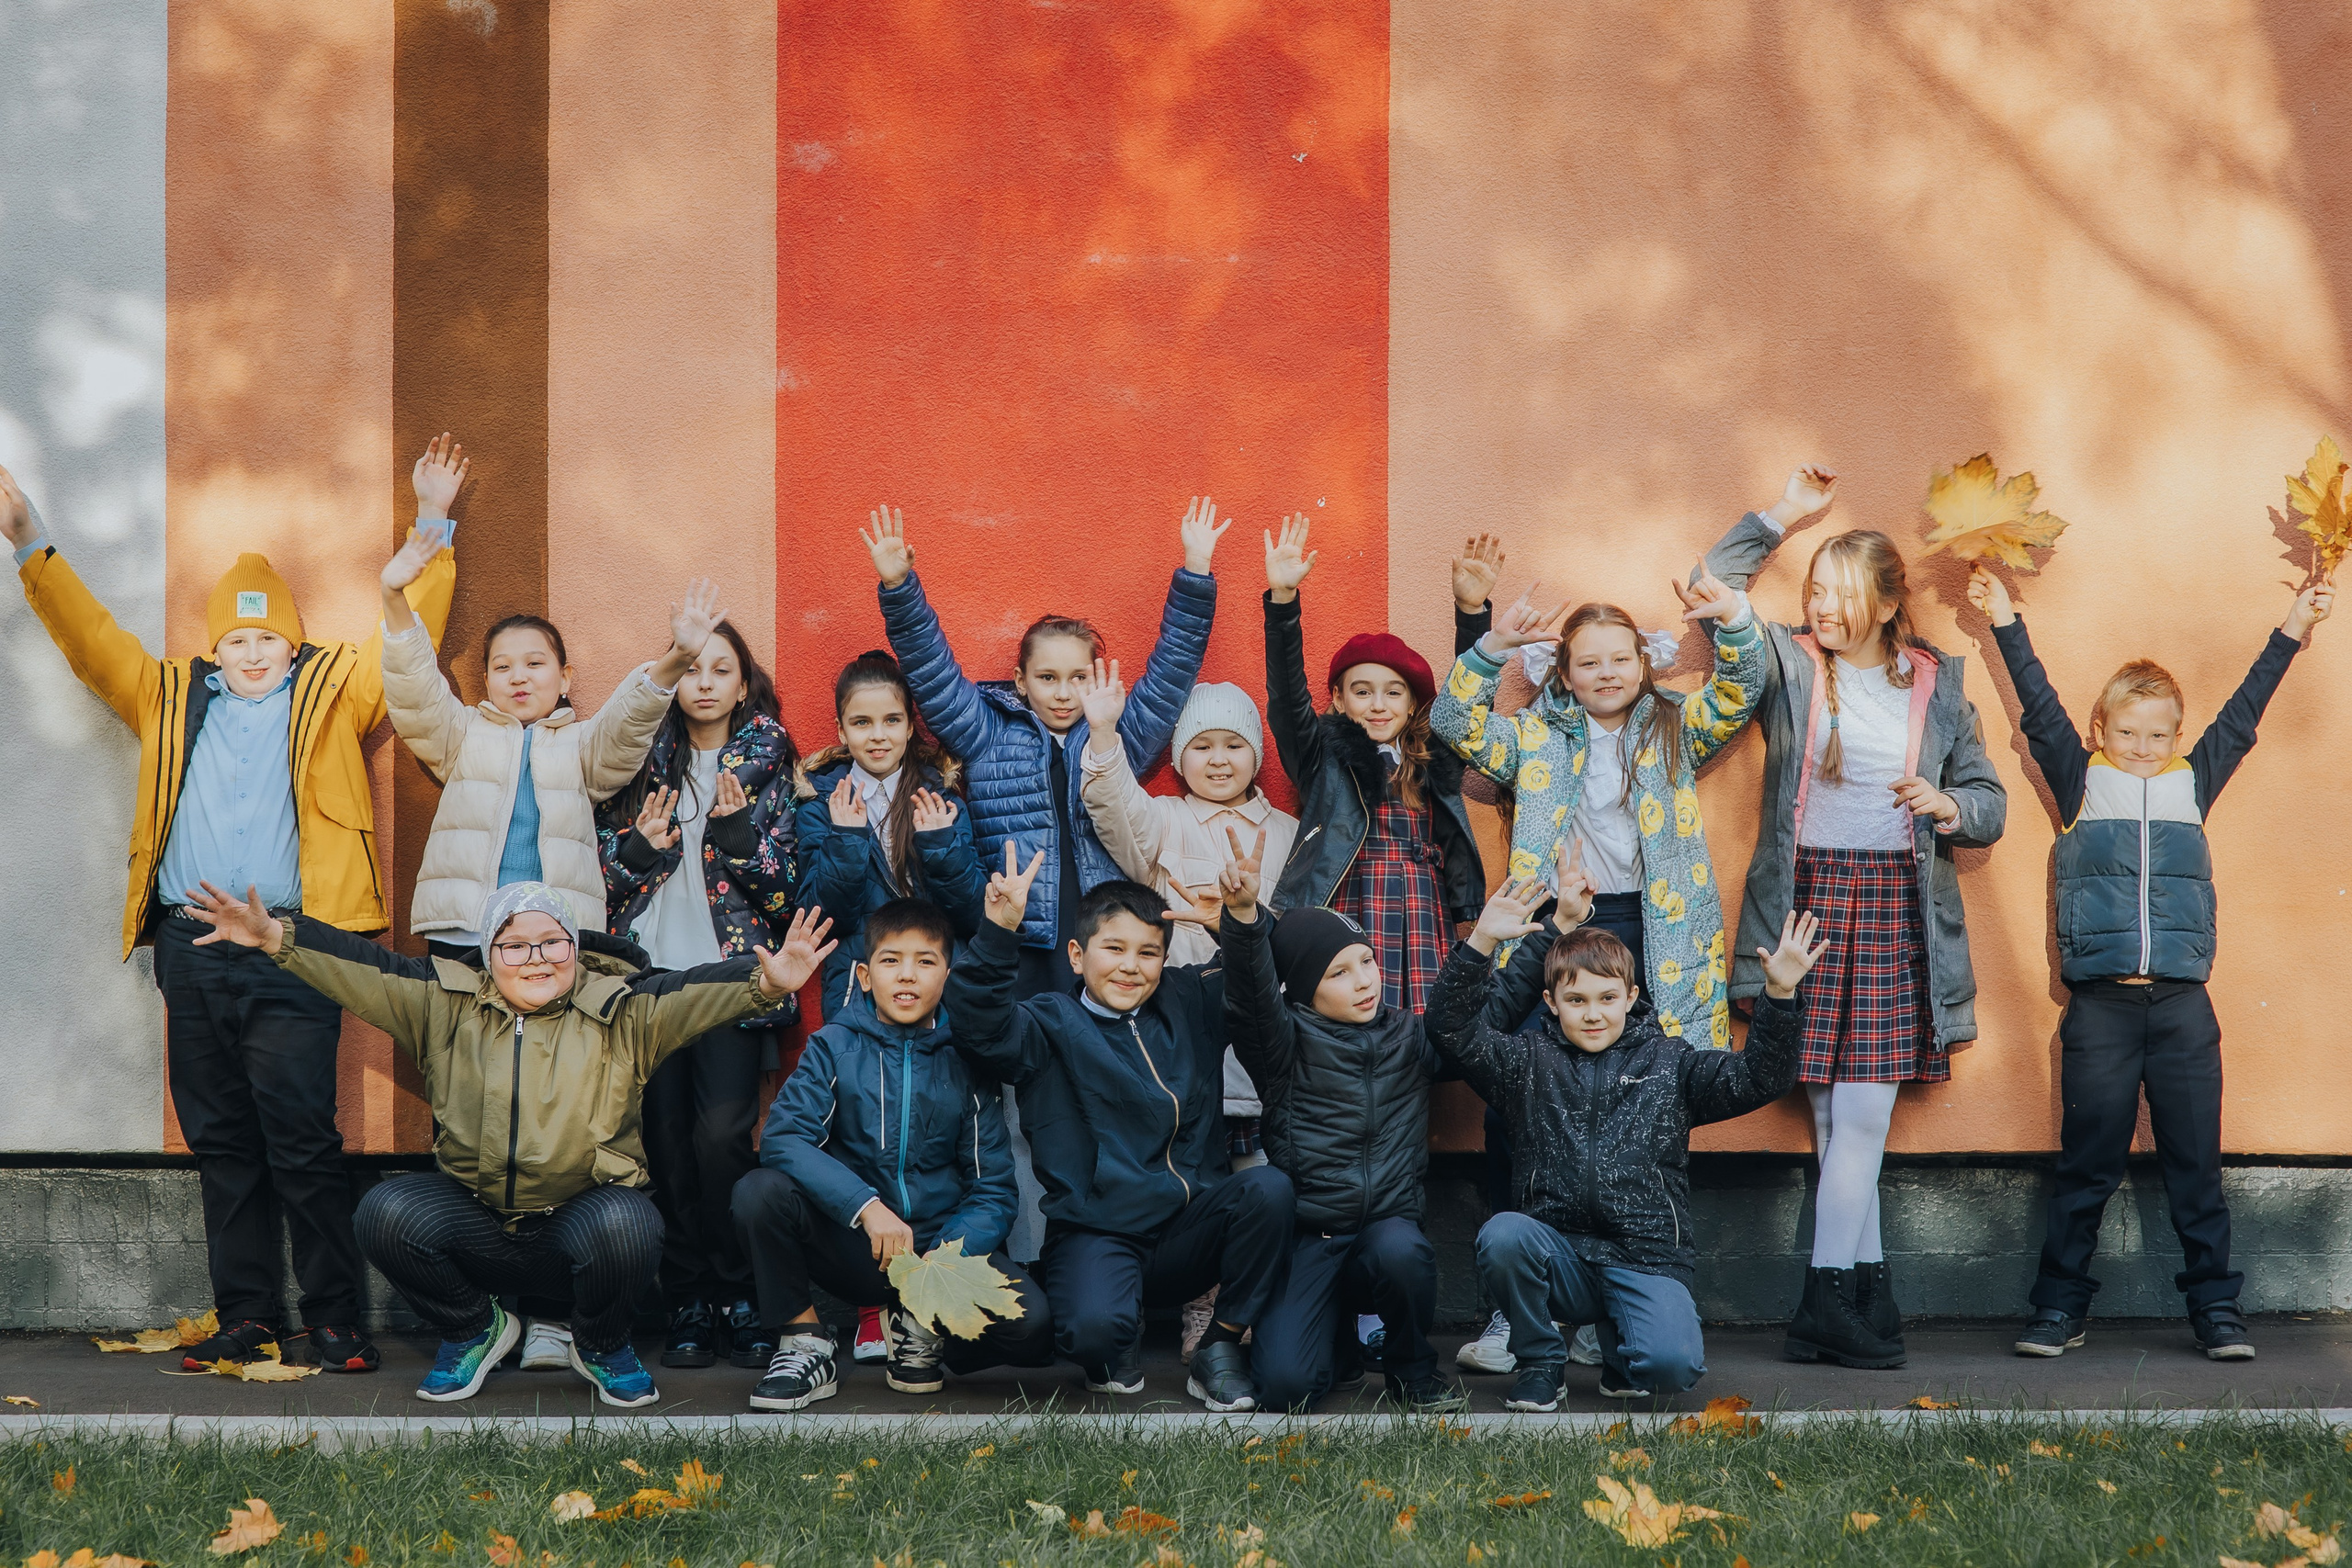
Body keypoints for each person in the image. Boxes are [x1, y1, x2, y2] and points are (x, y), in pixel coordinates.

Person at [1, 446, 461, 1375]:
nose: (253, 654)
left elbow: (407, 635)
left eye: (269, 639)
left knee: (300, 1135)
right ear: (215, 646)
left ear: (292, 643)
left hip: (295, 949)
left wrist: (433, 528)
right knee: (221, 1136)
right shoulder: (168, 695)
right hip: (190, 948)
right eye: (237, 640)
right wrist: (29, 542)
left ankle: (332, 1317)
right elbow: (92, 640)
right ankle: (248, 1313)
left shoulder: (334, 690)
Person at [179, 879, 832, 1407]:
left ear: (575, 948)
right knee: (385, 1211)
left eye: (553, 942)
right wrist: (274, 936)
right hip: (480, 1224)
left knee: (633, 1223)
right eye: (515, 945)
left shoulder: (624, 1011)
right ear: (490, 955)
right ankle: (473, 1328)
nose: (537, 958)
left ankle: (602, 1344)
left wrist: (768, 982)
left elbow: (697, 996)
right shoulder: (444, 1004)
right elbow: (363, 970)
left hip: (583, 1225)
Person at [1971, 565, 2334, 1361]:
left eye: (2158, 735)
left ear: (2176, 736)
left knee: (2195, 1165)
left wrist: (2292, 629)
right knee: (2086, 1165)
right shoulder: (2081, 781)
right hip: (2100, 1006)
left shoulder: (2191, 784)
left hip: (2180, 1008)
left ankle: (2216, 1310)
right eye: (2127, 732)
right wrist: (2004, 621)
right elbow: (2037, 704)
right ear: (2102, 728)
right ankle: (2058, 1308)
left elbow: (2244, 713)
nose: (2141, 749)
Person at [1701, 467, 2007, 1369]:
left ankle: (1840, 1300)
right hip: (1804, 910)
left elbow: (1987, 798)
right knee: (1838, 1121)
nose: (1821, 609)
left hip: (1891, 904)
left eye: (1840, 596)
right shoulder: (1790, 666)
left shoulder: (1937, 683)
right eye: (1813, 593)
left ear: (1884, 602)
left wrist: (1948, 806)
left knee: (1858, 1119)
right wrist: (1783, 516)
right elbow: (1713, 578)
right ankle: (1847, 1299)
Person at [1430, 878, 1820, 1411]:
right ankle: (1543, 1361)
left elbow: (1761, 1078)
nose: (1593, 1014)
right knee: (1503, 1235)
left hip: (1644, 1257)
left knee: (1670, 1369)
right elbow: (1450, 1030)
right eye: (1576, 1000)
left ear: (1631, 996)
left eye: (1607, 998)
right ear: (1551, 1002)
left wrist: (1780, 995)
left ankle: (1620, 1355)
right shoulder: (1526, 1063)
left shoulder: (1671, 1064)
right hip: (1559, 1252)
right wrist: (1480, 943)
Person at [947, 844, 1295, 1412]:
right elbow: (978, 1028)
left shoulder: (1188, 1000)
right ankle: (1111, 1328)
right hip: (1096, 1231)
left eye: (1148, 953)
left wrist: (1242, 925)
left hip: (1187, 1231)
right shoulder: (1046, 1023)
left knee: (1268, 1188)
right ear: (1078, 955)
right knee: (1094, 1341)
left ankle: (1221, 1347)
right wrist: (999, 931)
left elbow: (1260, 1001)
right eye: (1114, 949)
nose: (1131, 966)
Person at [864, 502, 1224, 998]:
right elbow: (931, 671)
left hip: (1101, 938)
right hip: (1020, 939)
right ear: (1021, 681)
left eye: (1078, 678)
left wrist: (1196, 572)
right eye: (1047, 678)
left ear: (1095, 677)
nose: (1062, 693)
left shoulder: (1115, 733)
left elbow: (1171, 672)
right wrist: (900, 589)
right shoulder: (987, 732)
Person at [1217, 824, 1498, 1414]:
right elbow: (1251, 998)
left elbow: (1484, 1016)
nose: (1365, 980)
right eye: (1338, 973)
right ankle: (1338, 1344)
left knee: (1404, 1254)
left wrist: (1506, 940)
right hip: (1313, 1236)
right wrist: (1244, 920)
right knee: (1287, 1388)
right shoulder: (1282, 1046)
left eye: (1366, 961)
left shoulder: (1408, 1036)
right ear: (1302, 991)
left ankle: (1411, 1370)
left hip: (1386, 1232)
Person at [731, 897, 1054, 1411]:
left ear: (948, 976)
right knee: (759, 1192)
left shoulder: (968, 1059)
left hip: (938, 1249)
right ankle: (805, 1343)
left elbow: (992, 1189)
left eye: (925, 962)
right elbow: (785, 1139)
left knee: (1032, 1327)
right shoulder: (833, 1046)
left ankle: (918, 1329)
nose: (907, 976)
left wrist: (942, 1264)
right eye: (890, 960)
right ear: (863, 975)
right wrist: (866, 1206)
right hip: (858, 1244)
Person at [1431, 556, 1766, 1047]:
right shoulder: (1535, 737)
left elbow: (1740, 692)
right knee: (1535, 1059)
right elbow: (1456, 724)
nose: (1607, 673)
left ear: (1642, 663)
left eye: (1621, 660)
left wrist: (1735, 619)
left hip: (1656, 921)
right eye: (1589, 663)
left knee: (1658, 1066)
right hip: (1559, 918)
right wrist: (1494, 646)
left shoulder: (1675, 726)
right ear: (1564, 676)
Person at [378, 493, 729, 958]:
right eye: (502, 668)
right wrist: (393, 596)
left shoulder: (580, 745)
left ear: (565, 678)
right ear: (485, 681)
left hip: (555, 936)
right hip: (465, 929)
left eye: (534, 663)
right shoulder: (462, 734)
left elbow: (627, 724)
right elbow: (415, 692)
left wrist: (680, 658)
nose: (518, 676)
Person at [594, 620, 802, 1375]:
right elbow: (599, 881)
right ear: (674, 677)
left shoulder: (771, 761)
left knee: (721, 1142)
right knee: (667, 1144)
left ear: (744, 684)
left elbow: (785, 893)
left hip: (730, 983)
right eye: (695, 669)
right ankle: (686, 1298)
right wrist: (641, 848)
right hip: (647, 979)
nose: (707, 682)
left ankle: (739, 1295)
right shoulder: (637, 759)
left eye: (725, 669)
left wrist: (739, 830)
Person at [1078, 663, 1299, 1353]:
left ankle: (1246, 1307)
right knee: (1199, 1163)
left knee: (1261, 1169)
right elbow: (1114, 809)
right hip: (1183, 1027)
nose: (1218, 760)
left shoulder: (1289, 829)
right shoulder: (1164, 818)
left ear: (1256, 756)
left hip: (1266, 1025)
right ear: (1180, 758)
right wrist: (1105, 733)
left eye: (1234, 745)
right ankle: (1193, 1301)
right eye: (1201, 746)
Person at [1261, 514, 1487, 1015]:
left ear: (1412, 706)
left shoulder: (1432, 760)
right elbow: (1287, 700)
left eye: (1393, 693)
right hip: (1351, 906)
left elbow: (1467, 706)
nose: (1378, 705)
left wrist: (1471, 615)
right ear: (1339, 701)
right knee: (1349, 1022)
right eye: (1362, 692)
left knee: (1421, 1032)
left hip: (1423, 911)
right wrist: (1282, 604)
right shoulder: (1323, 757)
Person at [793, 650, 987, 1014]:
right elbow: (817, 920)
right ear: (841, 729)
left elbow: (975, 915)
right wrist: (846, 842)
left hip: (938, 991)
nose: (878, 736)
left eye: (892, 720)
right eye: (862, 722)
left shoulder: (941, 800)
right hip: (858, 991)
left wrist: (942, 847)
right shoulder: (820, 805)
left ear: (910, 727)